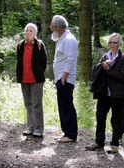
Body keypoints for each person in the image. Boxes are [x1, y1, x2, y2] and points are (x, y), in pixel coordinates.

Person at [87, 32, 124, 154]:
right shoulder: (105, 56)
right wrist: (103, 65)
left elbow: (122, 77)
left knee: (116, 119)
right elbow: (96, 70)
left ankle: (115, 143)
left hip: (117, 94)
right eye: (110, 42)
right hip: (104, 93)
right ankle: (99, 142)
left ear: (119, 43)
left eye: (115, 42)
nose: (112, 45)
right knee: (100, 117)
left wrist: (108, 70)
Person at [16, 23, 48, 138]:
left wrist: (39, 74)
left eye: (30, 31)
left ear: (35, 34)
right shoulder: (20, 45)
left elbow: (44, 62)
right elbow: (19, 61)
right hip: (24, 79)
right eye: (26, 30)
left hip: (36, 80)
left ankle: (39, 128)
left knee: (36, 105)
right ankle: (30, 126)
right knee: (28, 104)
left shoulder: (39, 45)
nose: (28, 33)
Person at [51, 15, 79, 143]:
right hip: (61, 78)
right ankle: (67, 132)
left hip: (65, 79)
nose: (51, 28)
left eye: (52, 26)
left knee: (66, 105)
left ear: (57, 27)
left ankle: (71, 134)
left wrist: (64, 77)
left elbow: (70, 59)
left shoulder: (68, 39)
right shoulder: (63, 38)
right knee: (63, 105)